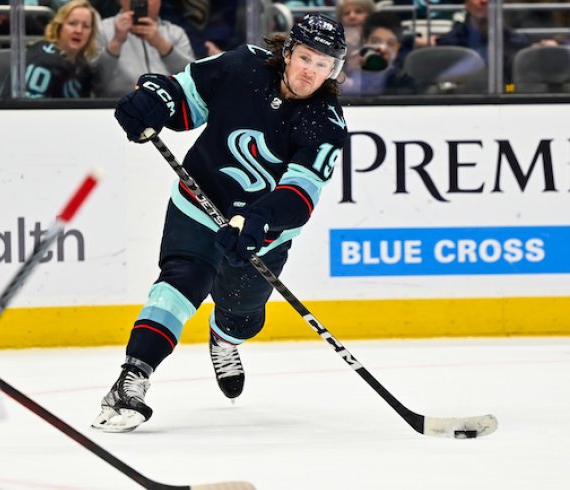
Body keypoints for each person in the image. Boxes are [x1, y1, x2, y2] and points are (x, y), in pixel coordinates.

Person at [91, 13, 348, 433]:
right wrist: (155, 101)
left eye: (324, 65)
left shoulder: (326, 122)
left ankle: (223, 338)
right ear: (287, 51)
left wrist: (258, 220)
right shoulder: (241, 66)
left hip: (261, 233)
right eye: (305, 57)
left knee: (242, 315)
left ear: (335, 70)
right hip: (200, 202)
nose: (311, 71)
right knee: (180, 282)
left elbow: (300, 197)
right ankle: (132, 379)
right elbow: (183, 102)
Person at [92, 0, 194, 97]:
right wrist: (116, 42)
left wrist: (162, 45)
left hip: (170, 105)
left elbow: (192, 77)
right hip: (114, 106)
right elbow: (94, 79)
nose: (142, 1)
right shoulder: (101, 29)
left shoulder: (176, 33)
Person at [2, 0, 97, 98]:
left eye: (86, 26)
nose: (78, 31)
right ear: (59, 27)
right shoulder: (43, 59)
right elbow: (27, 107)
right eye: (72, 24)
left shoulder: (84, 68)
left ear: (91, 33)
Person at [435, 0, 532, 84]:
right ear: (466, 4)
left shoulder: (518, 44)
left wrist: (508, 92)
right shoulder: (448, 44)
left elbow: (513, 88)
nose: (484, 1)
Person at [342, 11, 417, 95]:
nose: (382, 48)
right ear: (365, 42)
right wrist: (353, 73)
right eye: (375, 42)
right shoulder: (347, 68)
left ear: (397, 48)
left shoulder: (404, 77)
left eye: (390, 43)